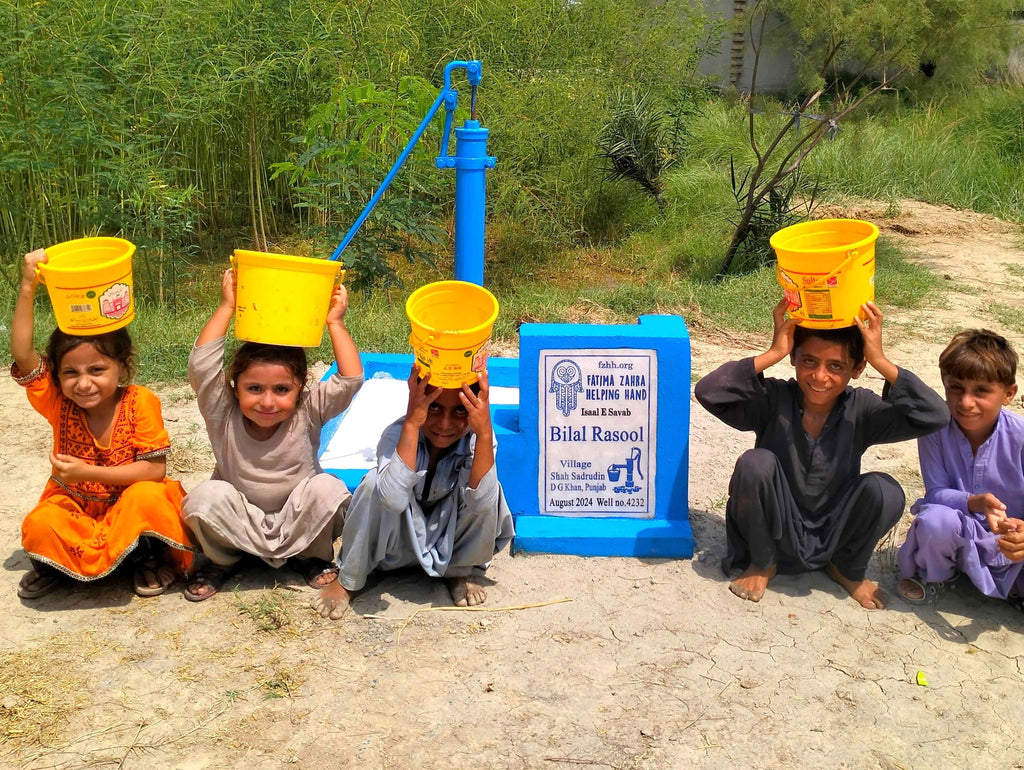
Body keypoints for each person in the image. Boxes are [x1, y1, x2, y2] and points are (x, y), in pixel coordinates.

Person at [695, 298, 949, 609]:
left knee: (886, 490)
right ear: (794, 359)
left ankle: (846, 568)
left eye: (836, 366)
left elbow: (935, 415)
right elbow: (709, 391)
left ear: (857, 369)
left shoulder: (862, 409)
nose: (819, 377)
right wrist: (773, 352)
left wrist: (881, 360)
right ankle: (762, 564)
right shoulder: (774, 399)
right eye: (809, 361)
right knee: (755, 464)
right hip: (773, 531)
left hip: (834, 532)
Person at [11, 248, 194, 599]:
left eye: (97, 370)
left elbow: (153, 471)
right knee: (42, 522)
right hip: (76, 506)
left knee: (148, 499)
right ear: (57, 376)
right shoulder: (58, 403)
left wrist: (88, 473)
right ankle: (60, 567)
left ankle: (145, 559)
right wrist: (27, 286)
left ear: (122, 368)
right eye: (70, 372)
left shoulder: (140, 401)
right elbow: (23, 355)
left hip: (129, 504)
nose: (83, 383)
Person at [182, 268, 363, 601]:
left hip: (298, 523)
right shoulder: (223, 412)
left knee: (328, 489)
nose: (267, 401)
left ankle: (310, 558)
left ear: (300, 390)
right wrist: (226, 307)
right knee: (204, 497)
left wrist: (335, 323)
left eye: (281, 389)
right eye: (254, 388)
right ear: (235, 389)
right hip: (239, 522)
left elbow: (350, 380)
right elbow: (202, 367)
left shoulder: (309, 409)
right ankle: (222, 561)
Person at [313, 366, 515, 619]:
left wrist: (484, 431)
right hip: (393, 547)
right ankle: (349, 579)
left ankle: (458, 570)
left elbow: (482, 504)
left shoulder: (478, 439)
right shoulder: (397, 434)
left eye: (461, 410)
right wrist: (411, 423)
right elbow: (392, 500)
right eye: (433, 407)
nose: (444, 424)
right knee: (374, 483)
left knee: (488, 487)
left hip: (448, 544)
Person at [897, 329, 1024, 607]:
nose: (966, 402)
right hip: (957, 530)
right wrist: (975, 502)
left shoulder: (1021, 437)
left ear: (1008, 393)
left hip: (1010, 543)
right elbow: (936, 492)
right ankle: (936, 576)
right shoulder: (935, 428)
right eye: (956, 388)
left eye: (981, 391)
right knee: (935, 519)